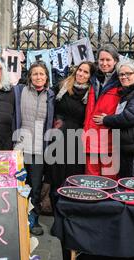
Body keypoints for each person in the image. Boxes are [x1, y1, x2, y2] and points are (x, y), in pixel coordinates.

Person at [82, 44, 134, 179]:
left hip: (110, 140)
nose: (104, 63)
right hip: (91, 139)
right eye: (101, 60)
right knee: (92, 183)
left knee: (110, 184)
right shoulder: (92, 78)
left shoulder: (122, 78)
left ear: (115, 61)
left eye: (108, 60)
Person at [14, 61, 55, 236]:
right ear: (30, 76)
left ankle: (33, 219)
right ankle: (16, 219)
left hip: (38, 150)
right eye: (35, 73)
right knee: (17, 185)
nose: (38, 77)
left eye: (42, 74)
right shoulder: (19, 91)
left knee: (35, 187)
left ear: (47, 77)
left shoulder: (51, 95)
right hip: (19, 147)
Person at [48, 61, 96, 193]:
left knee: (73, 176)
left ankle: (70, 207)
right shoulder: (62, 86)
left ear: (90, 76)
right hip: (58, 136)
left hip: (77, 140)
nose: (81, 73)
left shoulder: (92, 93)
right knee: (55, 174)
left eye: (86, 72)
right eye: (80, 70)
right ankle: (55, 207)